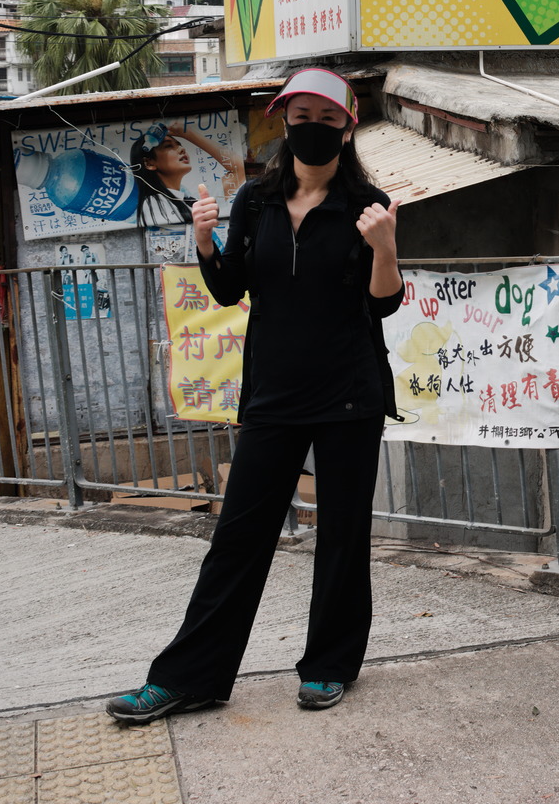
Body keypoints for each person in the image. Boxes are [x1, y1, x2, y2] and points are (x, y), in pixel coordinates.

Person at [106, 67, 401, 723]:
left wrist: (384, 247)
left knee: (342, 538)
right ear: (284, 122)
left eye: (327, 119)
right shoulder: (256, 201)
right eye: (302, 117)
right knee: (238, 538)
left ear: (347, 128)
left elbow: (383, 303)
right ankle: (189, 678)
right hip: (272, 393)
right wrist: (204, 241)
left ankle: (329, 666)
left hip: (349, 394)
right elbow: (228, 288)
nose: (313, 128)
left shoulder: (368, 204)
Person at [130, 122, 241, 230]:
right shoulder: (154, 204)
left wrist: (188, 134)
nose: (182, 149)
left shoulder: (191, 200)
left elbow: (239, 169)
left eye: (179, 144)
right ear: (149, 163)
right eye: (168, 146)